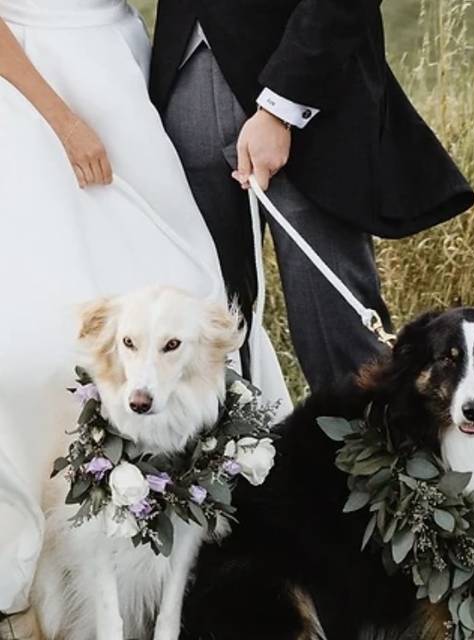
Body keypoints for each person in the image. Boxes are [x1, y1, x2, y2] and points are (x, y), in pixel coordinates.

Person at [0, 0, 291, 617]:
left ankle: (187, 527)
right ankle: (64, 529)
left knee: (189, 288)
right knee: (37, 334)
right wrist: (64, 123)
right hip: (30, 88)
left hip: (124, 73)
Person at [151, 0, 474, 392]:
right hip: (185, 74)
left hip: (310, 95)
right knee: (206, 325)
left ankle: (368, 445)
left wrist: (280, 109)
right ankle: (231, 451)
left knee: (336, 326)